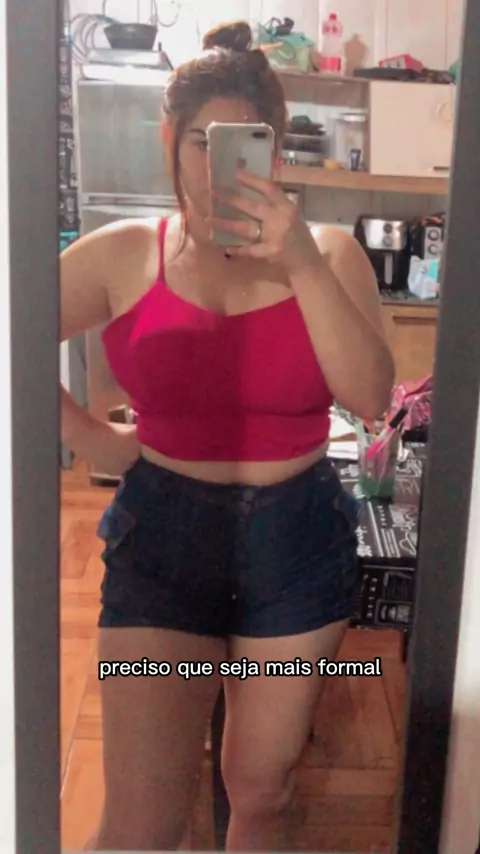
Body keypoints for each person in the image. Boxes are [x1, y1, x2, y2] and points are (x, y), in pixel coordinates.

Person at [60, 20, 394, 853]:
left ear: (276, 150)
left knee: (262, 792)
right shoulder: (125, 254)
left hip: (297, 542)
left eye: (248, 144)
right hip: (163, 540)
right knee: (141, 823)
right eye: (202, 143)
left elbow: (372, 397)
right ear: (169, 142)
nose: (223, 166)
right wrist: (89, 439)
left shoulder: (329, 253)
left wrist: (301, 265)